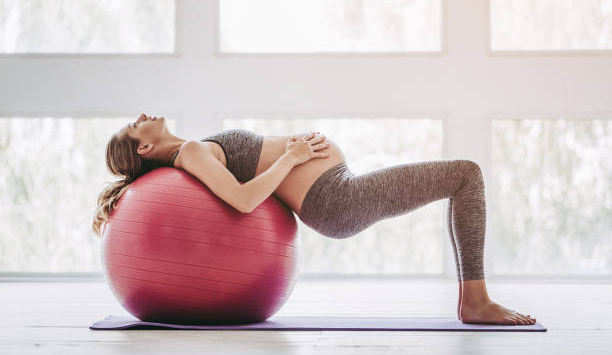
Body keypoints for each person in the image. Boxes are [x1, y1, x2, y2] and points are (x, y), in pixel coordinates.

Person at [93, 112, 536, 326]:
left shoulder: (193, 148)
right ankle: (475, 301)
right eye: (135, 127)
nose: (142, 117)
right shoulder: (190, 152)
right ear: (144, 149)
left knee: (459, 178)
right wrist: (292, 156)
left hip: (338, 188)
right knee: (466, 175)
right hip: (335, 200)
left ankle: (473, 300)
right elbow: (245, 200)